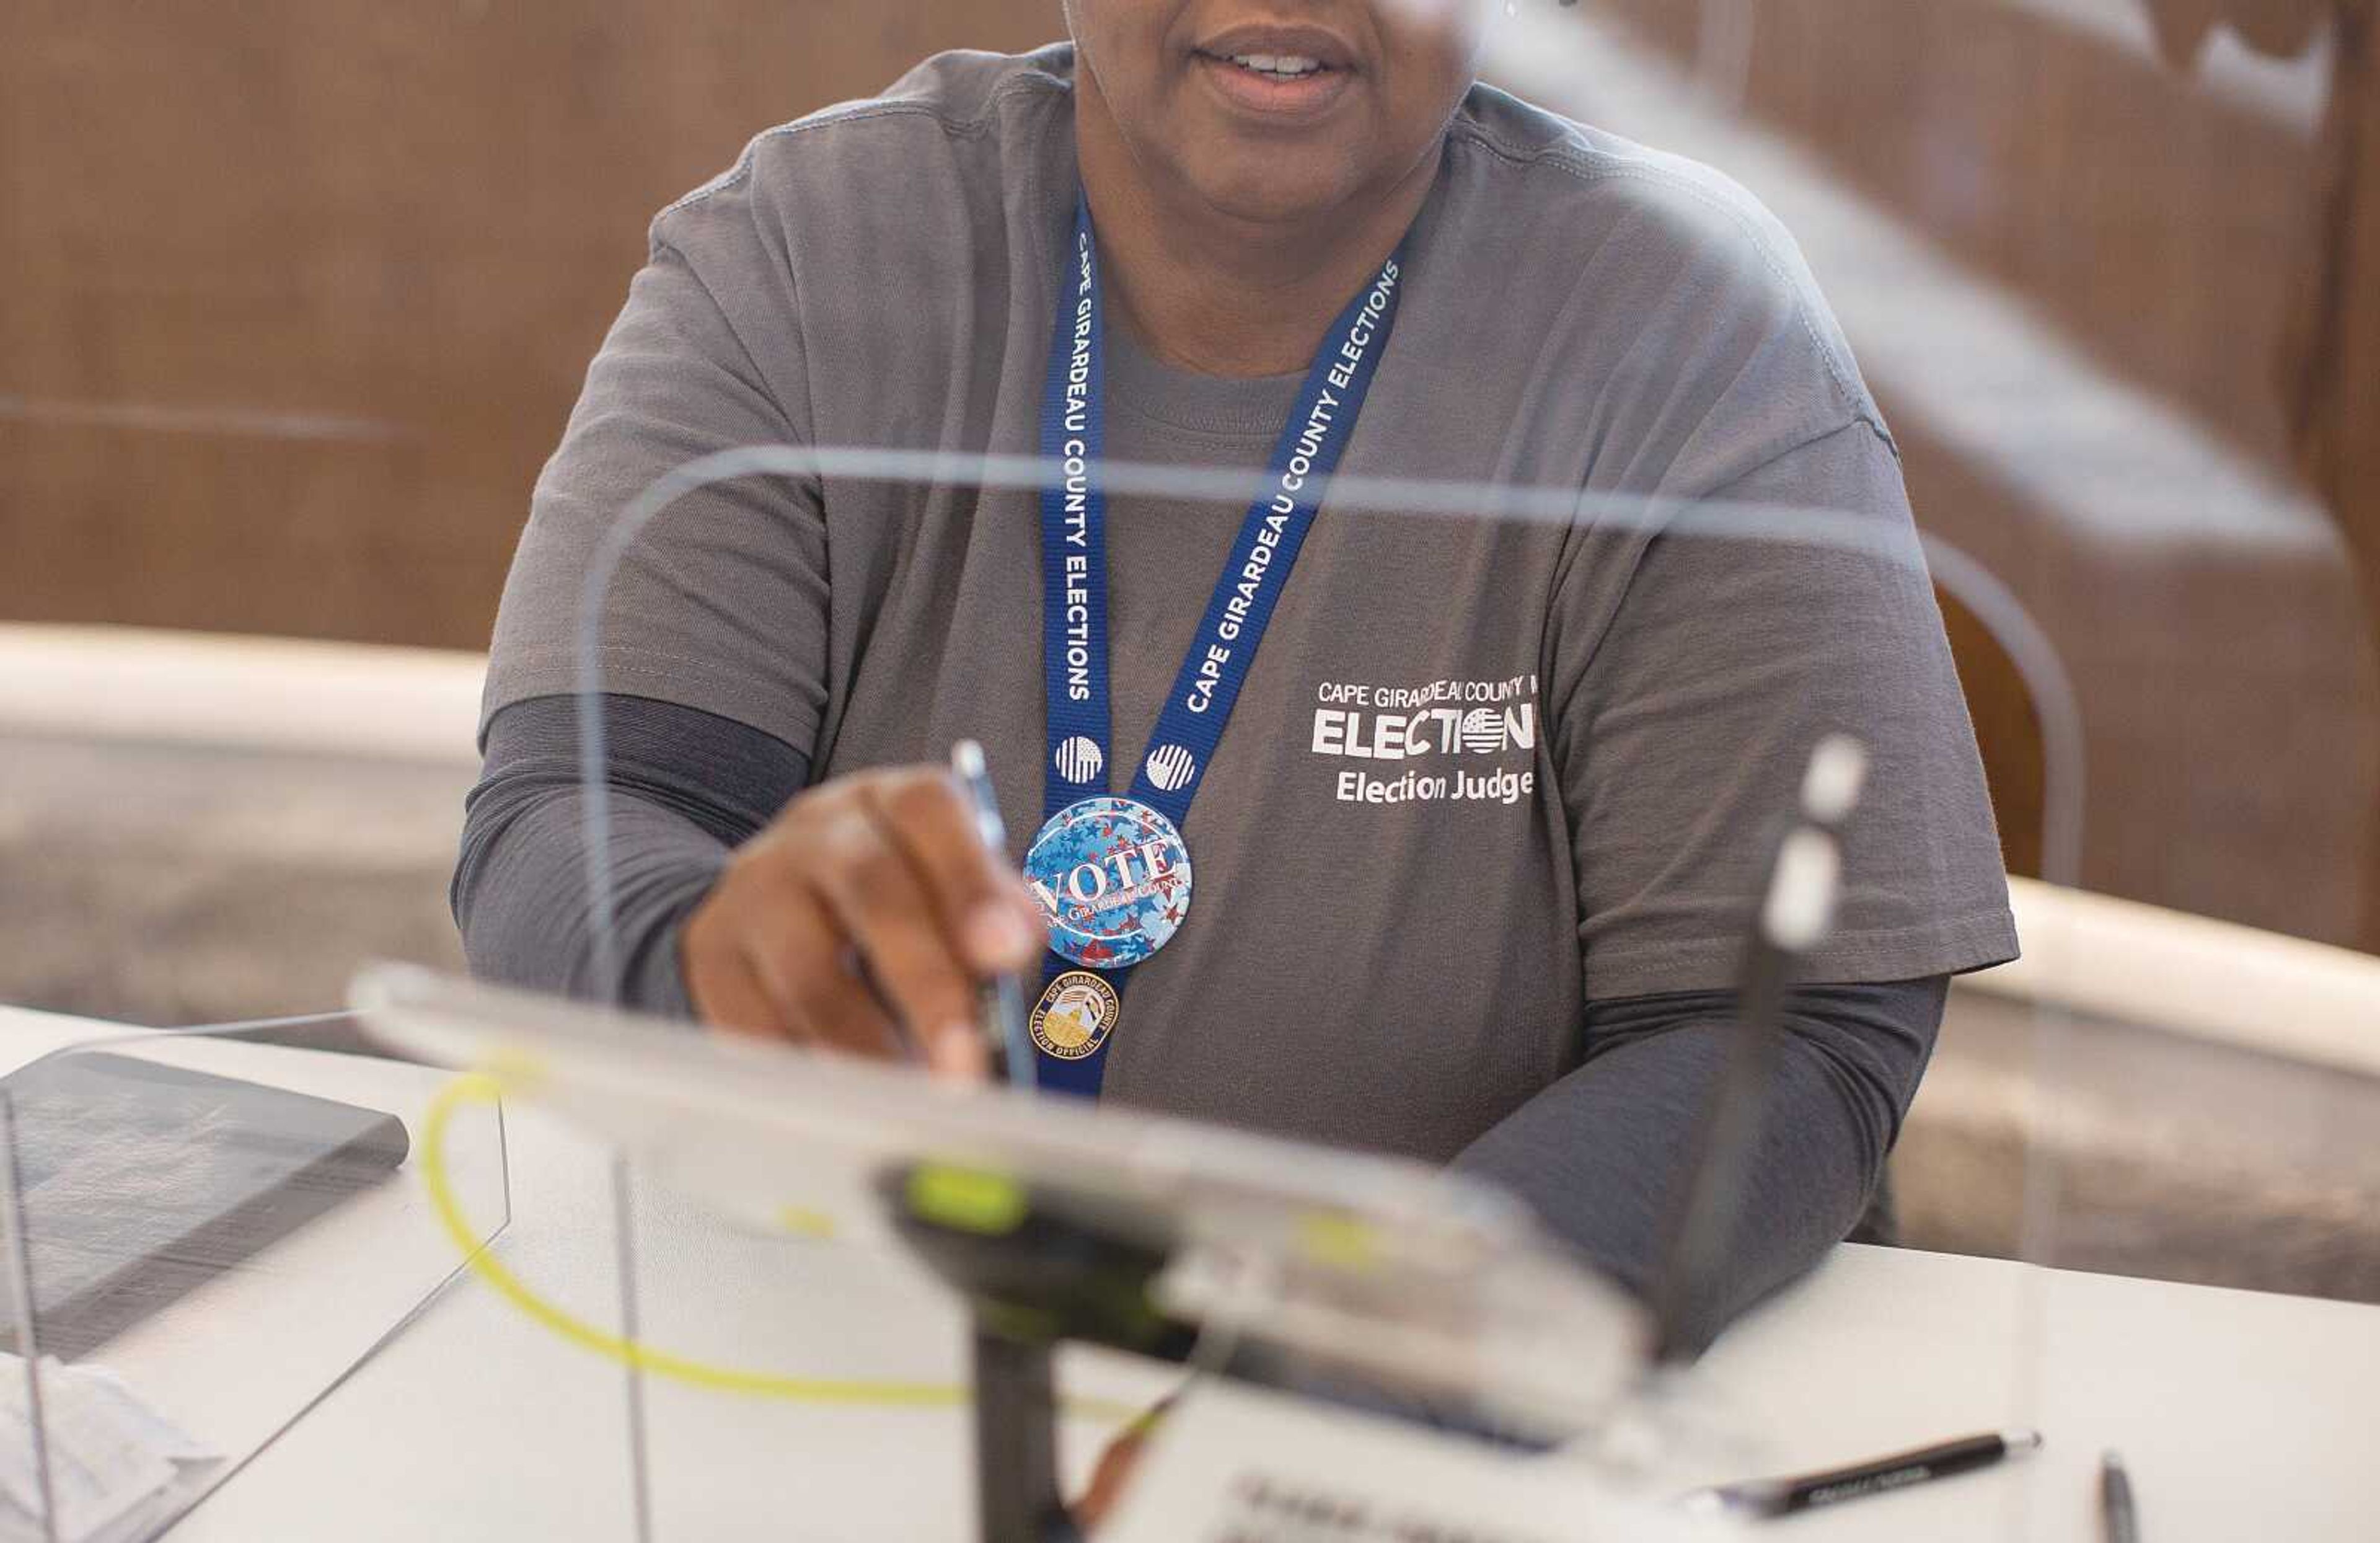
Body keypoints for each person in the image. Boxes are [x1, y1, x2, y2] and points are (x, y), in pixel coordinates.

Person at [457, 0, 2016, 1399]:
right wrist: (714, 962)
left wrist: (1361, 1359)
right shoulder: (805, 248)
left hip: (1458, 1421)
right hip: (854, 1361)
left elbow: (1794, 1037)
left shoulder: (1689, 320)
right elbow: (570, 815)